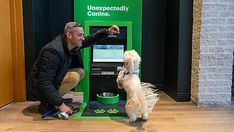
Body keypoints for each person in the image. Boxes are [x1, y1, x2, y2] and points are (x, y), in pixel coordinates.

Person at [28, 22, 120, 115]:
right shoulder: (52, 51)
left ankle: (55, 100)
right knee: (74, 77)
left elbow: (89, 40)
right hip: (39, 88)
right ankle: (51, 103)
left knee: (80, 72)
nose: (83, 38)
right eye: (80, 35)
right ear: (69, 35)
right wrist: (61, 105)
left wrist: (107, 32)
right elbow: (45, 82)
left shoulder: (71, 44)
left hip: (52, 81)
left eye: (83, 35)